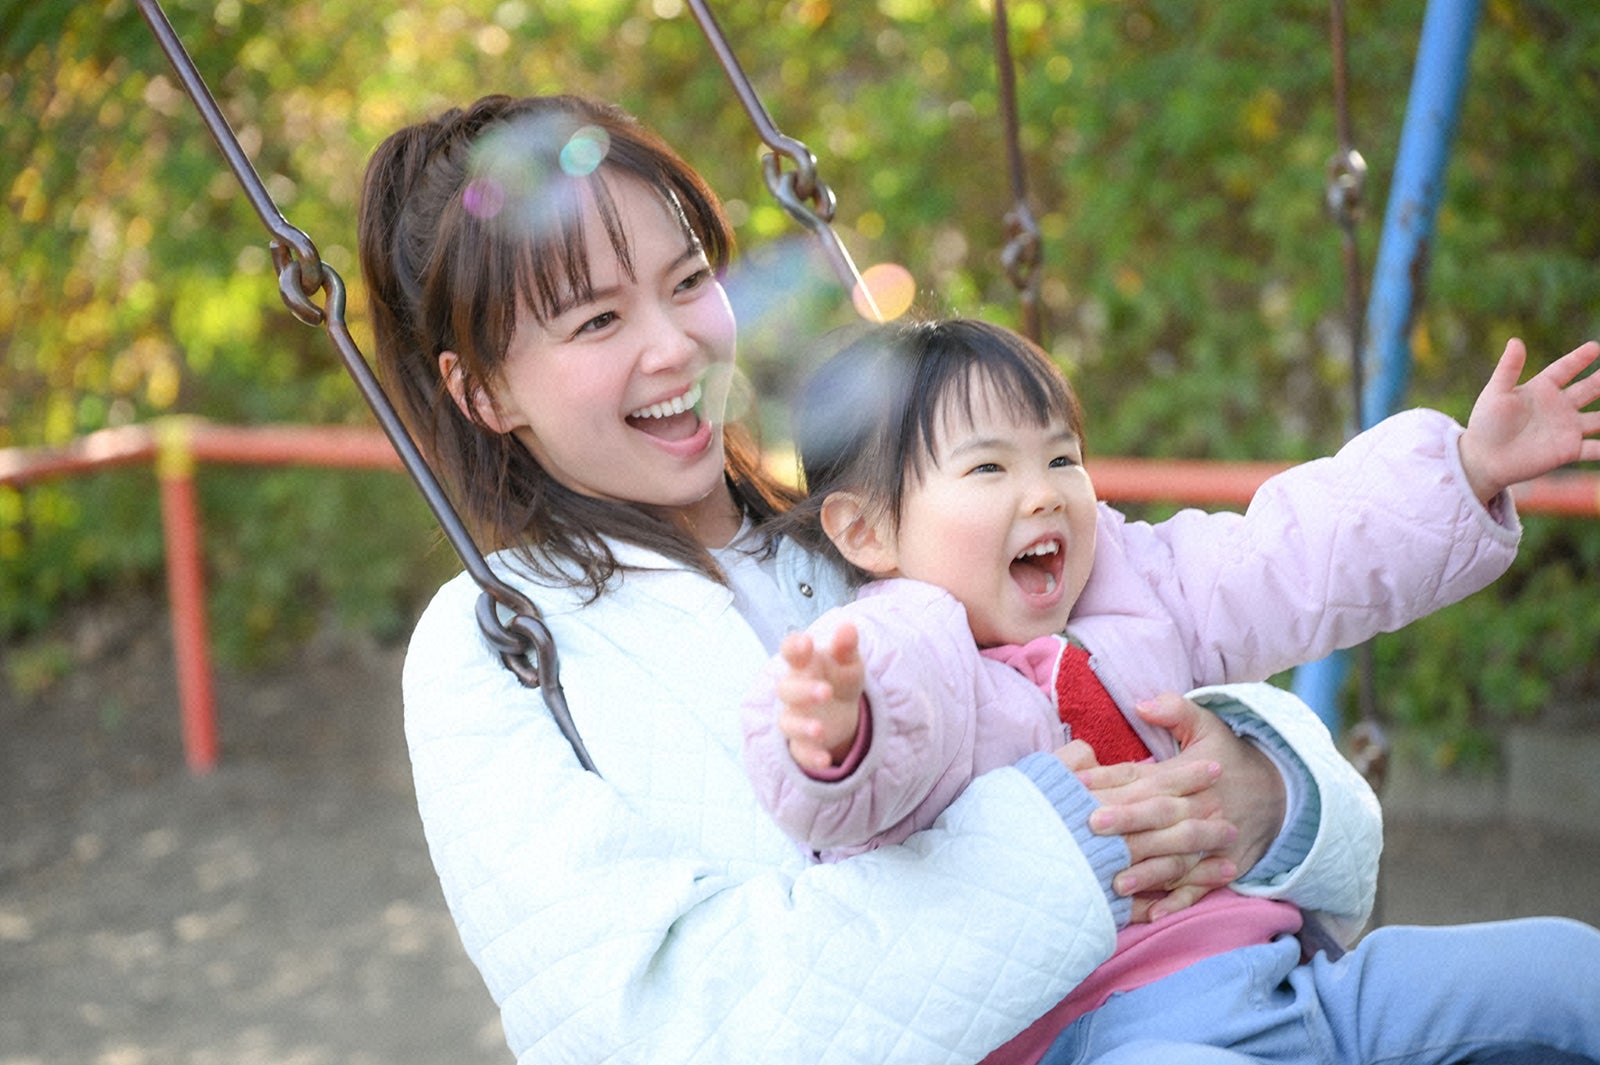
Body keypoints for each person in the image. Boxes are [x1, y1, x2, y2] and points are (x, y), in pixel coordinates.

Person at [354, 92, 1591, 1064]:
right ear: (483, 390)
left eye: (687, 284)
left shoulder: (901, 521)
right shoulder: (499, 646)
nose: (676, 344)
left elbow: (1227, 603)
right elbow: (664, 1029)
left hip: (1247, 972)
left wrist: (1260, 788)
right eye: (595, 323)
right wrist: (1083, 833)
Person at [741, 316, 1600, 1061]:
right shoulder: (906, 648)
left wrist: (1465, 468)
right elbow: (888, 742)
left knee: (1559, 970)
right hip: (1110, 1033)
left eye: (1062, 456)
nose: (1043, 492)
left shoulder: (1136, 582)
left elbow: (1289, 554)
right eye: (989, 470)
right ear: (868, 529)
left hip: (1293, 984)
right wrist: (836, 731)